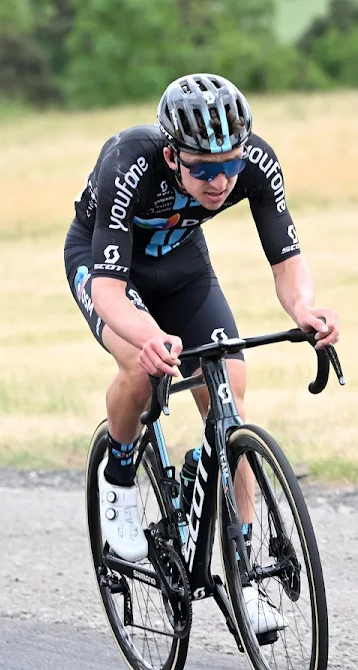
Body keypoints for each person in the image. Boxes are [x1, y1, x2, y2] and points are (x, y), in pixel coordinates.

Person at [64, 73, 340, 634]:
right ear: (172, 155)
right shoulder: (128, 161)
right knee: (140, 373)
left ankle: (242, 571)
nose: (220, 181)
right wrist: (146, 335)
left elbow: (286, 263)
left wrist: (305, 310)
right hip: (106, 270)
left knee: (230, 398)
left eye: (230, 165)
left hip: (184, 268)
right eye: (204, 169)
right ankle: (117, 478)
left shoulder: (255, 164)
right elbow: (110, 293)